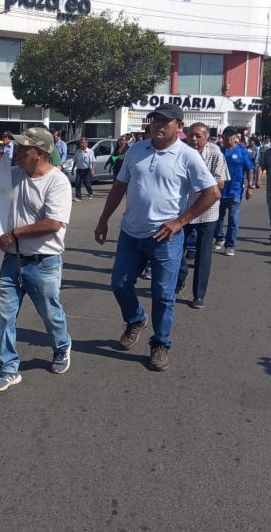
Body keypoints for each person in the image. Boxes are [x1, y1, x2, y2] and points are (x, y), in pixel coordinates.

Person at [93, 103, 219, 372]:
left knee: (163, 294)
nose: (159, 126)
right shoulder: (137, 150)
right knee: (119, 283)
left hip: (165, 239)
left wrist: (180, 221)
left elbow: (212, 193)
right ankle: (136, 319)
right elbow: (119, 186)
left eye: (166, 122)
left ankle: (160, 343)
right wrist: (103, 220)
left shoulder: (187, 156)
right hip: (130, 234)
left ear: (179, 127)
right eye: (155, 121)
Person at [0, 127, 73, 392]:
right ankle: (8, 367)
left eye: (24, 149)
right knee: (3, 315)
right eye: (17, 147)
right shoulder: (13, 174)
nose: (17, 152)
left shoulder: (57, 182)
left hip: (43, 261)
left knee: (50, 313)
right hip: (10, 260)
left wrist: (13, 233)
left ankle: (61, 346)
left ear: (39, 154)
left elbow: (53, 223)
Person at [174, 123, 229, 310]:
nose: (194, 140)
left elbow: (219, 184)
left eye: (198, 136)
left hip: (207, 211)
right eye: (191, 136)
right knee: (175, 249)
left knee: (203, 256)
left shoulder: (215, 153)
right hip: (183, 210)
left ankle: (199, 295)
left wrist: (198, 183)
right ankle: (180, 277)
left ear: (207, 138)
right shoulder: (179, 150)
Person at [213, 127, 254, 256]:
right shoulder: (219, 150)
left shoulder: (242, 151)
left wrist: (250, 187)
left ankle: (230, 245)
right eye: (226, 135)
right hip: (219, 191)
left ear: (236, 137)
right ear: (222, 137)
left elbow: (250, 169)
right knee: (217, 218)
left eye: (231, 135)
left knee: (233, 219)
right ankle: (220, 238)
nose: (228, 138)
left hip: (235, 191)